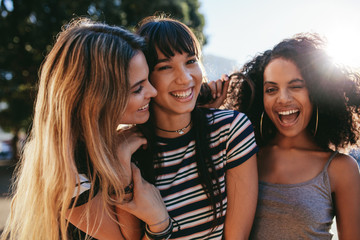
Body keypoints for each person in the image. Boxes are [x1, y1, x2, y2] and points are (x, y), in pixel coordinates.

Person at [0, 18, 171, 240]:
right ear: (98, 99)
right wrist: (159, 222)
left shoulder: (107, 142)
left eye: (147, 79)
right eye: (138, 88)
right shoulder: (69, 174)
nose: (153, 92)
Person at [129, 16, 259, 239]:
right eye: (165, 67)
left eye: (190, 61)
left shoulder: (230, 130)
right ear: (145, 77)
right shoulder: (129, 153)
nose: (185, 78)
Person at [225, 33, 360, 239]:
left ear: (317, 92)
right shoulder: (245, 155)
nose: (283, 99)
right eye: (271, 89)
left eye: (296, 86)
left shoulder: (341, 169)